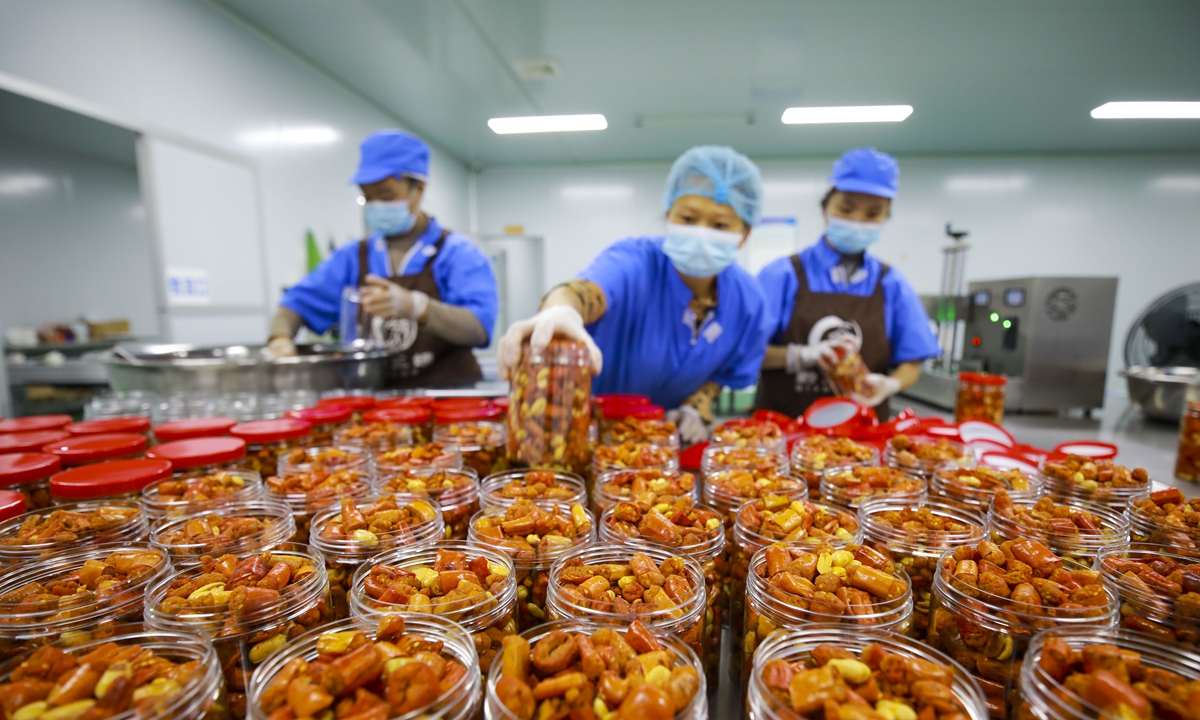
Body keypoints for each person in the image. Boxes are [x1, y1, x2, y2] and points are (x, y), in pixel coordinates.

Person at [497, 146, 771, 445]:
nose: (701, 233)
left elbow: (725, 373)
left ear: (744, 233)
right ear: (668, 215)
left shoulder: (748, 301)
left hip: (661, 445)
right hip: (590, 434)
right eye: (688, 219)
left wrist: (695, 408)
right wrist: (560, 311)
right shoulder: (636, 260)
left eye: (719, 225)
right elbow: (584, 292)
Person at [267, 130, 498, 388]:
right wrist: (279, 339)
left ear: (418, 189)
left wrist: (417, 307)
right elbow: (295, 306)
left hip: (448, 396)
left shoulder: (457, 253)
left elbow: (479, 329)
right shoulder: (353, 257)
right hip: (373, 396)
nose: (375, 204)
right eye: (368, 196)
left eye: (386, 196)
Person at [755, 147, 939, 416]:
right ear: (824, 208)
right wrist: (801, 355)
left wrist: (892, 383)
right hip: (784, 436)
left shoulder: (892, 284)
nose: (857, 221)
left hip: (862, 440)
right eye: (846, 208)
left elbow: (911, 363)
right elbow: (746, 352)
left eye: (873, 214)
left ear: (885, 218)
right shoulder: (782, 274)